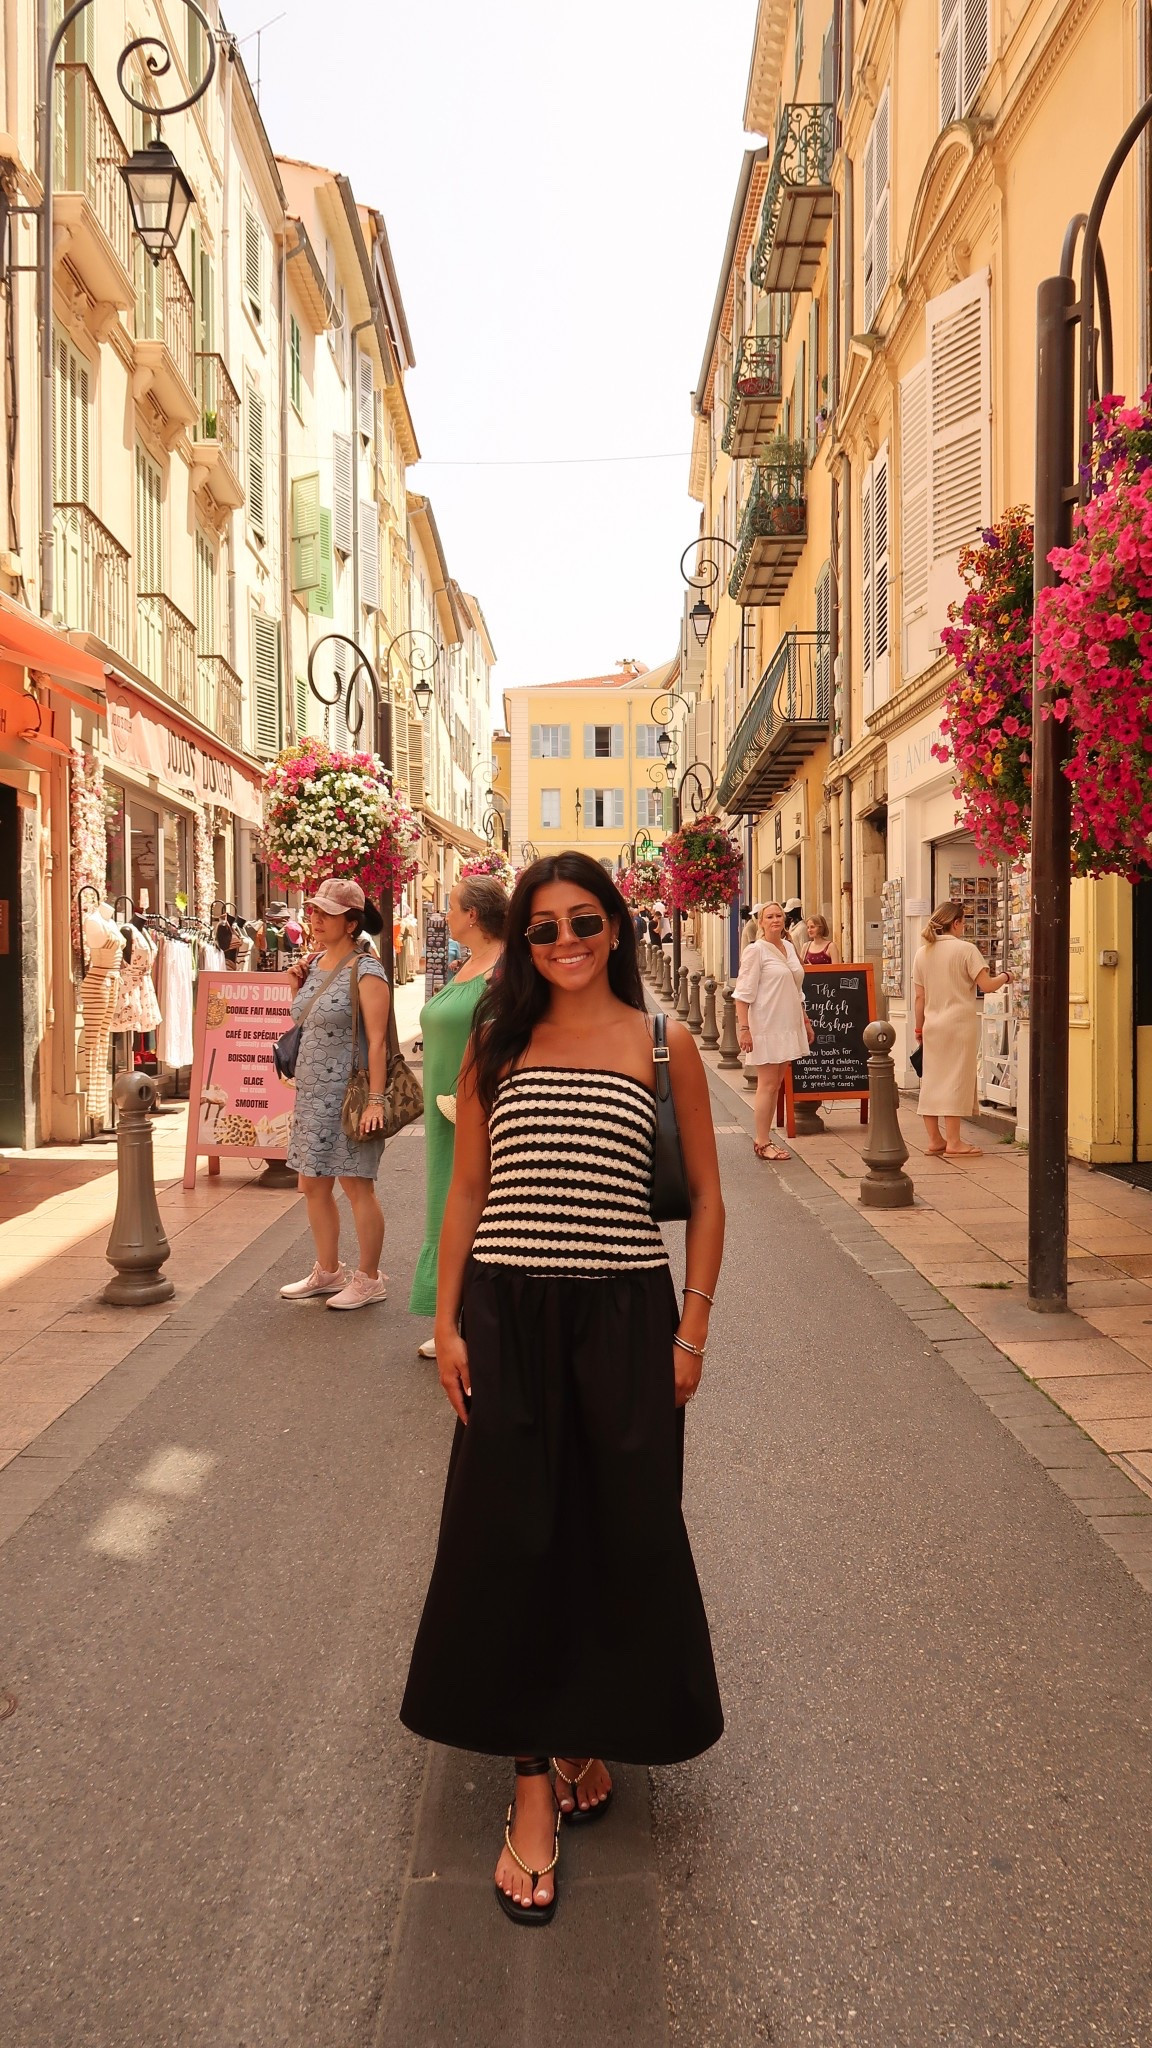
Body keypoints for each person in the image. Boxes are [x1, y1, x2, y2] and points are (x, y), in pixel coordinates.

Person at [400, 851, 725, 1926]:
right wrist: (446, 1320)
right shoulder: (501, 1041)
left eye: (584, 920)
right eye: (543, 928)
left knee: (622, 1531)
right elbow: (468, 1192)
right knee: (513, 1536)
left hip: (630, 1318)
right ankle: (532, 1777)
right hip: (509, 1312)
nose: (565, 941)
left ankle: (589, 1724)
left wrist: (692, 1329)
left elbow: (709, 1200)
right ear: (525, 943)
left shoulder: (662, 1041)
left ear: (618, 926)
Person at [279, 878, 392, 1310]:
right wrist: (296, 988)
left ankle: (368, 1278)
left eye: (326, 913)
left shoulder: (366, 969)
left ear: (351, 922)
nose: (315, 919)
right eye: (312, 911)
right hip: (311, 1093)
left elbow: (379, 1041)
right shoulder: (311, 962)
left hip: (349, 1094)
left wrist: (376, 1100)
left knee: (356, 1186)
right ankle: (328, 1271)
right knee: (311, 1184)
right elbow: (307, 1021)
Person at [410, 874, 508, 1356]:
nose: (444, 915)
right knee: (448, 1202)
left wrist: (477, 1100)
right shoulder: (470, 963)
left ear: (473, 915)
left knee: (476, 1205)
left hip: (470, 1108)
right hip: (446, 1110)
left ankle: (476, 1319)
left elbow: (506, 1038)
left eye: (451, 906)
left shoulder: (505, 967)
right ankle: (457, 1315)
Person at [912, 900, 1009, 1158]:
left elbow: (919, 998)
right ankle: (954, 1142)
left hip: (932, 1025)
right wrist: (1007, 977)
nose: (963, 927)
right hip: (959, 1025)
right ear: (955, 923)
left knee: (931, 1081)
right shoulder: (966, 950)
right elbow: (987, 985)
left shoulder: (922, 953)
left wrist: (918, 1028)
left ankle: (935, 1139)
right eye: (963, 922)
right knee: (956, 1079)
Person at [732, 900, 813, 1162]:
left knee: (777, 1083)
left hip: (789, 1024)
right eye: (770, 917)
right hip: (766, 1025)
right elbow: (742, 994)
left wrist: (806, 1021)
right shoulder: (756, 951)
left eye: (779, 915)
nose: (776, 920)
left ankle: (765, 1137)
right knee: (767, 1084)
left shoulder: (789, 947)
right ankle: (762, 1141)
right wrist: (744, 1029)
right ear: (761, 922)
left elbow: (796, 989)